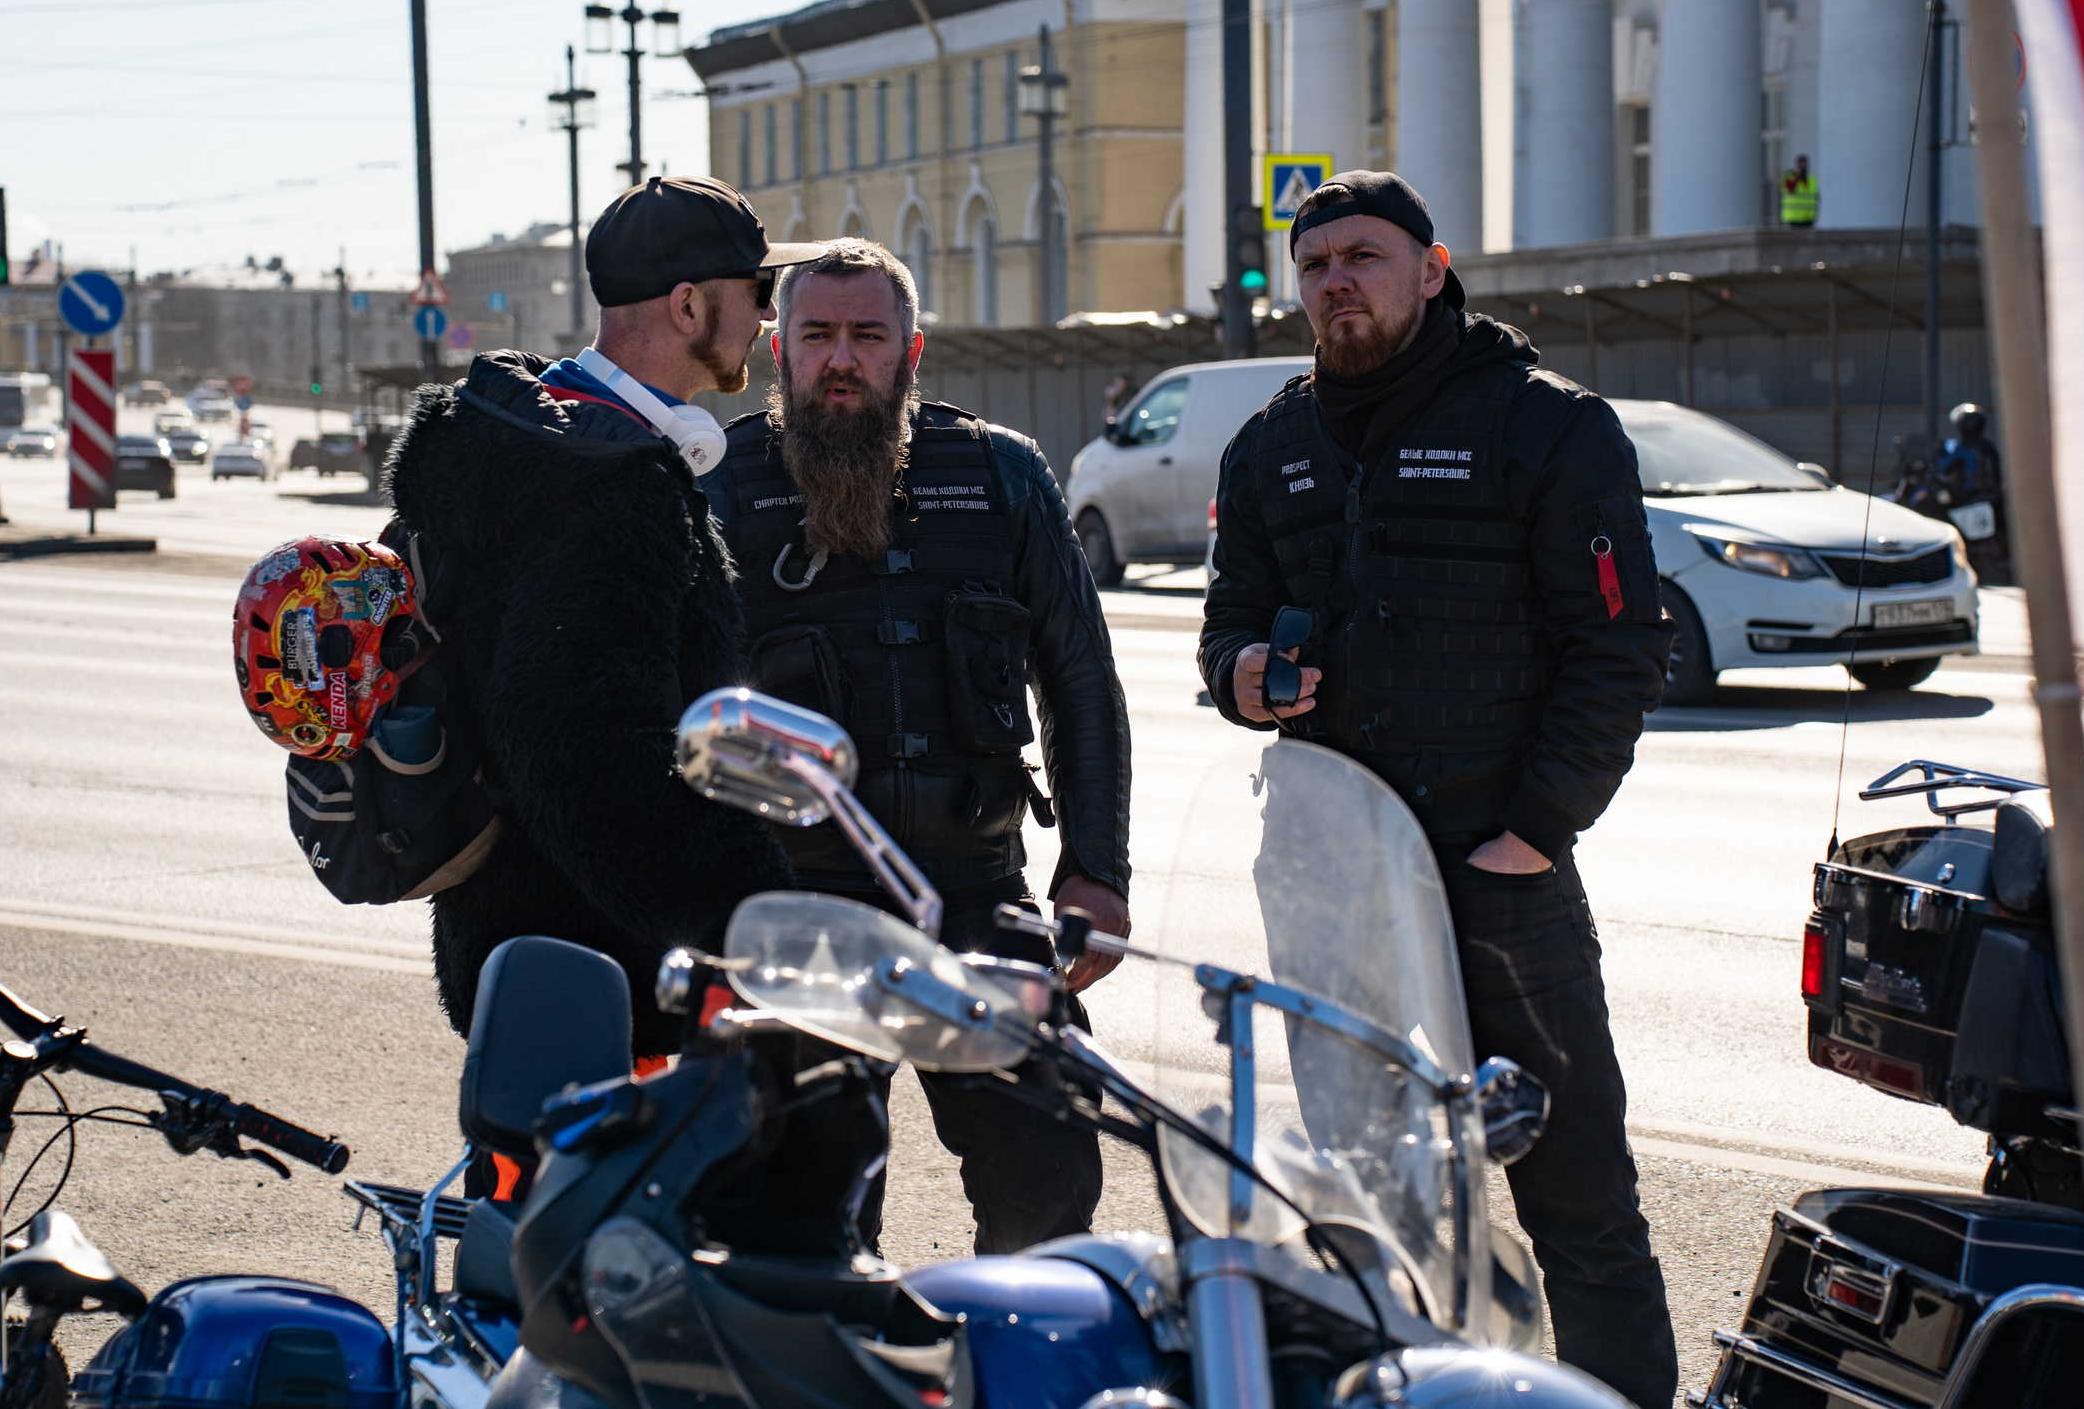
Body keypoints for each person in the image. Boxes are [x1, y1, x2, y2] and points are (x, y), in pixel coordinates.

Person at [1199, 172, 1679, 1408]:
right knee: (1353, 1200)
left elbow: (1617, 648)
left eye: (1363, 255)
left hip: (1498, 878)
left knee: (1576, 1197)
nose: (1335, 282)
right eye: (1314, 266)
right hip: (1327, 878)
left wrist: (1533, 832)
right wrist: (1245, 675)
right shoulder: (1269, 444)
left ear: (1433, 265)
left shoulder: (1549, 425)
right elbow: (1224, 634)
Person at [701, 238, 1131, 1254]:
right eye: (817, 335)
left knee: (1049, 1185)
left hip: (978, 898)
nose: (841, 358)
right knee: (807, 1222)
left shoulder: (1000, 475)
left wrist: (1097, 873)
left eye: (866, 335)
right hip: (794, 913)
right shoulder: (718, 488)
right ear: (779, 351)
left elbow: (1078, 682)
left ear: (911, 351)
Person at [384, 175, 823, 1058]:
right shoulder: (606, 489)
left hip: (526, 956)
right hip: (592, 979)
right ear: (691, 305)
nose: (769, 320)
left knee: (523, 1192)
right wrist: (752, 920)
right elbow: (585, 751)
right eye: (759, 293)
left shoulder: (536, 444)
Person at [1780, 154, 1818, 227]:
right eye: (1800, 165)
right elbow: (1790, 190)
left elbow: (1816, 198)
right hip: (1793, 217)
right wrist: (1797, 176)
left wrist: (1814, 215)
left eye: (1804, 165)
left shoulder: (1811, 180)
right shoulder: (1789, 178)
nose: (1803, 168)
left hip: (1808, 218)